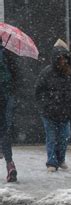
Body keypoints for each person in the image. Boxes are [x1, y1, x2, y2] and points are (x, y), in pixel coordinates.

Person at [35, 40, 71, 172]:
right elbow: (39, 91)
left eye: (65, 58)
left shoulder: (70, 72)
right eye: (61, 59)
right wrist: (46, 105)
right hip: (50, 112)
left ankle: (60, 159)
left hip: (64, 111)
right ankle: (52, 161)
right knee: (52, 137)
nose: (63, 61)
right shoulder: (47, 73)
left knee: (64, 137)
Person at [0, 41, 18, 182]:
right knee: (5, 130)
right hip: (6, 98)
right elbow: (17, 76)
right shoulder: (7, 54)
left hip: (5, 97)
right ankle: (10, 163)